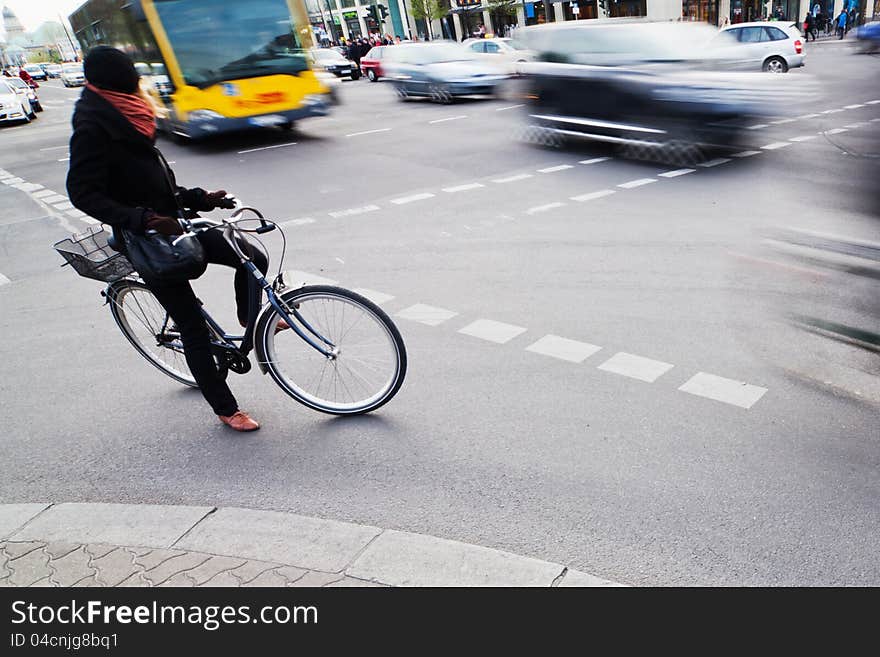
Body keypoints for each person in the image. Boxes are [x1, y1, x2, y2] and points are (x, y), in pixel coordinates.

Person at [66, 46, 273, 432]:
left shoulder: (130, 111)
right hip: (148, 240)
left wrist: (200, 198)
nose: (135, 78)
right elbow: (81, 191)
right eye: (127, 72)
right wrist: (143, 219)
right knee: (192, 326)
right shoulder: (93, 125)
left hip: (175, 222)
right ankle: (226, 409)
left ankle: (250, 318)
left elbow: (154, 180)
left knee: (250, 255)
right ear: (113, 80)